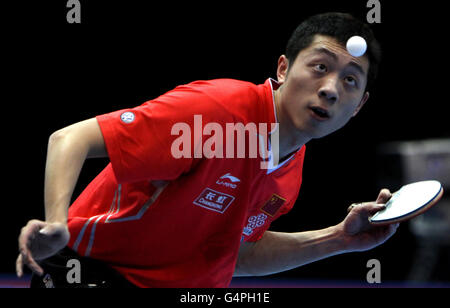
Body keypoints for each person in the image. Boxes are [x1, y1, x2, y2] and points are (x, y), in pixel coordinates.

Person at [16, 12, 399, 288]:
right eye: (319, 67)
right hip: (96, 273)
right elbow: (70, 138)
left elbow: (236, 256)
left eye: (349, 80)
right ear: (283, 69)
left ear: (359, 106)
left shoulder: (289, 172)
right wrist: (56, 223)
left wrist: (340, 239)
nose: (331, 88)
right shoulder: (217, 113)